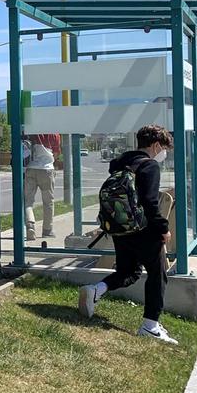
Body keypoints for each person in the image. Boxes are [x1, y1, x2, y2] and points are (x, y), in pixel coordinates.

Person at [78, 124, 176, 344]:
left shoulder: (121, 163)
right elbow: (151, 204)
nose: (164, 153)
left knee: (128, 271)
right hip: (144, 231)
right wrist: (163, 228)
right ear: (156, 145)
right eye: (164, 148)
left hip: (121, 230)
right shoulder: (149, 166)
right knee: (157, 274)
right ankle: (150, 325)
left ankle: (96, 290)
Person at [22, 133, 59, 240]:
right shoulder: (54, 133)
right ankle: (47, 230)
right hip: (47, 170)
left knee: (28, 201)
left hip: (31, 169)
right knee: (48, 202)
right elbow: (56, 154)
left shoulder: (32, 131)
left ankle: (30, 224)